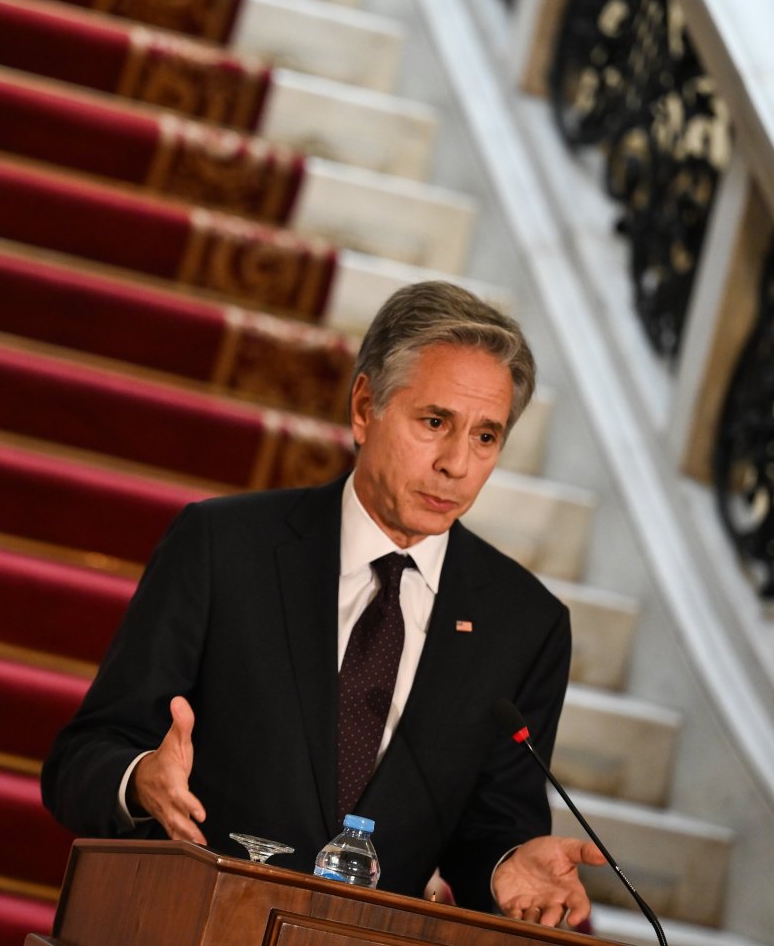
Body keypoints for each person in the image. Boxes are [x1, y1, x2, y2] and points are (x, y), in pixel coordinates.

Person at [41, 281, 606, 928]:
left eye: (486, 438)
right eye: (434, 422)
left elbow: (492, 832)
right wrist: (141, 777)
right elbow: (80, 761)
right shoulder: (225, 547)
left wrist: (507, 863)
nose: (457, 464)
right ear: (365, 407)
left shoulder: (524, 626)